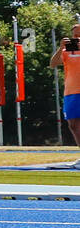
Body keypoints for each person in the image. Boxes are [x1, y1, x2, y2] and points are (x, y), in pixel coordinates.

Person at [48, 25, 80, 166]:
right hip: (71, 91)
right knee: (73, 125)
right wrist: (61, 47)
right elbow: (53, 64)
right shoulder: (67, 52)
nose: (76, 38)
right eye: (74, 36)